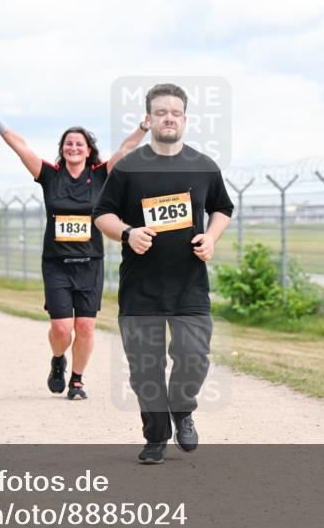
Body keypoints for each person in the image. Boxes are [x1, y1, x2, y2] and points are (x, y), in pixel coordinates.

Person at [94, 83, 233, 464]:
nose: (168, 118)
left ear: (185, 119)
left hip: (189, 286)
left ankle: (183, 409)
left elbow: (222, 208)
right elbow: (102, 214)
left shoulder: (203, 166)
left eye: (175, 112)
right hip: (140, 289)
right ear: (149, 118)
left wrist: (211, 236)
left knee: (193, 357)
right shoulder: (128, 167)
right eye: (160, 112)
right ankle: (156, 436)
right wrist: (127, 232)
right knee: (145, 369)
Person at [0, 93, 147, 400]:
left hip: (90, 263)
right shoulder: (49, 176)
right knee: (62, 329)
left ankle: (77, 381)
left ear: (88, 150)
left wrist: (144, 126)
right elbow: (20, 146)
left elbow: (126, 148)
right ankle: (58, 360)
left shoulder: (100, 176)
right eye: (68, 143)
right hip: (56, 264)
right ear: (62, 149)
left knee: (84, 327)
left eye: (79, 144)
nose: (73, 147)